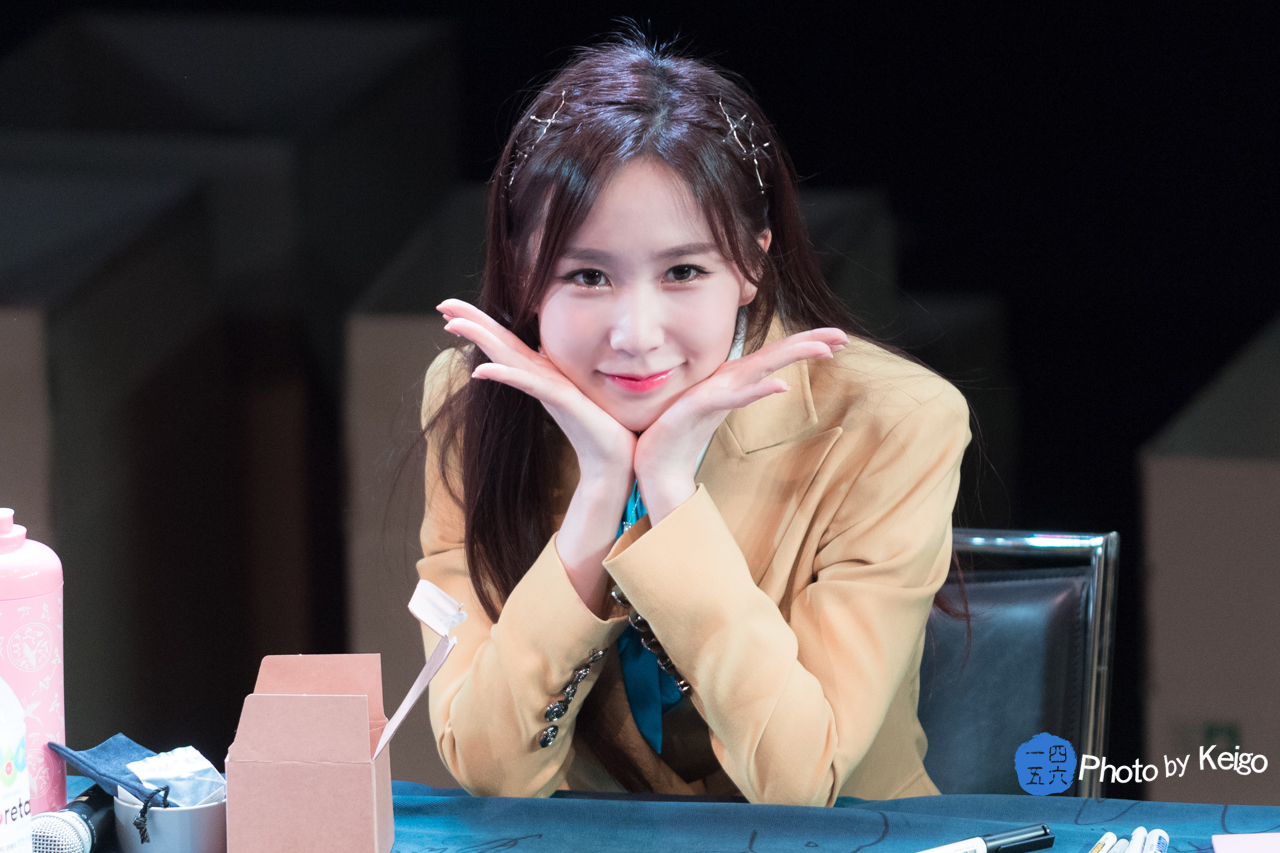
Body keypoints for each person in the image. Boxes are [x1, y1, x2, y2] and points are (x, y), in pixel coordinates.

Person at [415, 35, 971, 806]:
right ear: (523, 272)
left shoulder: (894, 421)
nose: (636, 334)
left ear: (750, 263)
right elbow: (491, 769)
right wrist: (600, 493)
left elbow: (801, 780)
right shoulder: (477, 397)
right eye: (587, 275)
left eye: (683, 271)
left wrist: (669, 495)